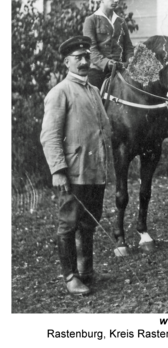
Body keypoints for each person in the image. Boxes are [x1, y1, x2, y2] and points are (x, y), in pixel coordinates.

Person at [40, 36, 112, 296]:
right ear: (66, 61)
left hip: (95, 169)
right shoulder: (60, 92)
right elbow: (49, 135)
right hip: (73, 171)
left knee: (89, 222)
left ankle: (86, 271)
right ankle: (70, 277)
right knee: (68, 224)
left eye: (86, 57)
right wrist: (58, 170)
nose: (83, 62)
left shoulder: (93, 91)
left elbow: (103, 130)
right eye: (77, 58)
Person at [83, 0, 134, 90]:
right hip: (99, 72)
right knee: (96, 102)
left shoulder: (121, 22)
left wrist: (129, 62)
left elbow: (128, 47)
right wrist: (106, 63)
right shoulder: (91, 20)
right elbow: (91, 49)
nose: (116, 0)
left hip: (121, 70)